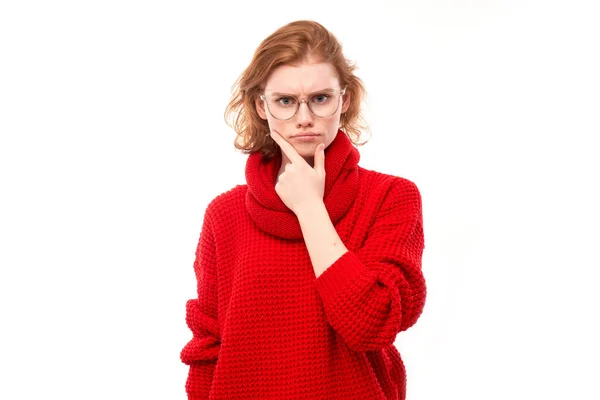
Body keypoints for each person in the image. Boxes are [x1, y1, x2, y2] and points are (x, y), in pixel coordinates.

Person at [180, 20, 426, 400]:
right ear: (262, 106)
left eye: (321, 98)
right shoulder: (224, 214)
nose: (305, 116)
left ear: (344, 101)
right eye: (285, 101)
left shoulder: (391, 197)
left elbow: (371, 324)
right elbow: (208, 348)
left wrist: (310, 207)